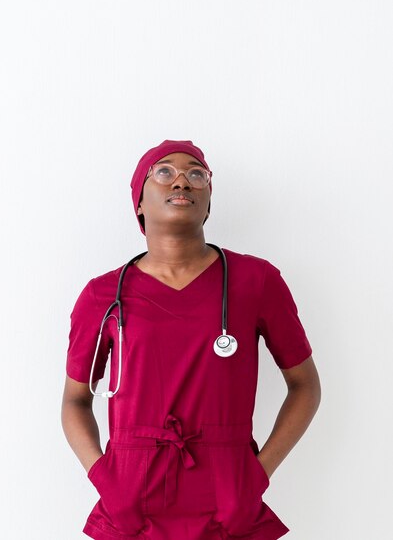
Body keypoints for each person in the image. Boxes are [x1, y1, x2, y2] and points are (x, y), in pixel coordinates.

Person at [61, 139, 321, 540]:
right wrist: (107, 480)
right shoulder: (103, 294)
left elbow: (304, 386)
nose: (181, 181)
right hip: (132, 496)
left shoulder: (256, 282)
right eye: (164, 172)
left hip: (227, 493)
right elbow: (76, 400)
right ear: (140, 202)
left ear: (209, 198)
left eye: (196, 174)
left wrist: (257, 475)